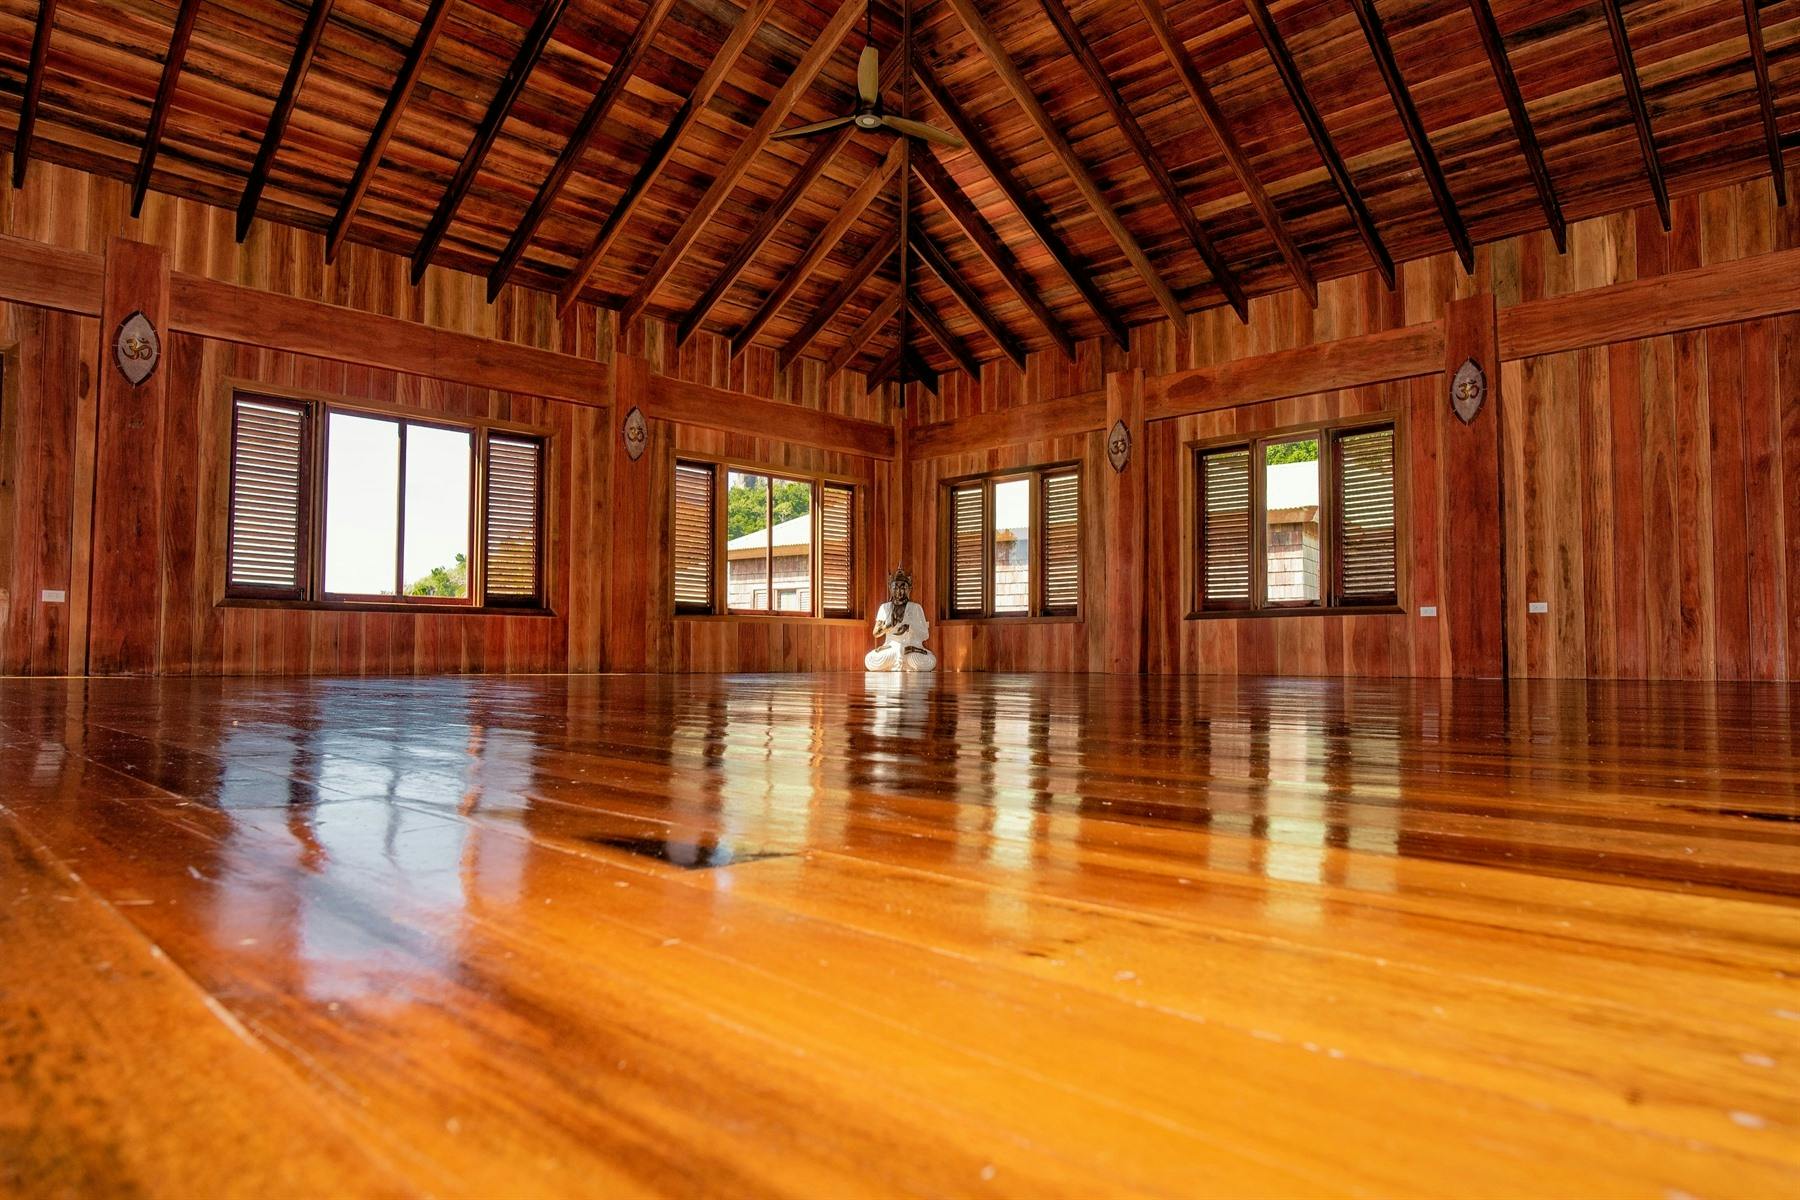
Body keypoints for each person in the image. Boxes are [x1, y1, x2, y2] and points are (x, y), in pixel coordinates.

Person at [865, 567, 936, 673]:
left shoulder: (916, 607)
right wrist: (889, 625)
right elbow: (876, 633)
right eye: (895, 587)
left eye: (903, 588)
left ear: (909, 589)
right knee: (870, 659)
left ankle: (901, 660)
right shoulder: (884, 607)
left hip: (911, 649)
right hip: (891, 649)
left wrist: (910, 627)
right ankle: (900, 661)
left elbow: (925, 634)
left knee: (931, 661)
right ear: (890, 588)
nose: (899, 591)